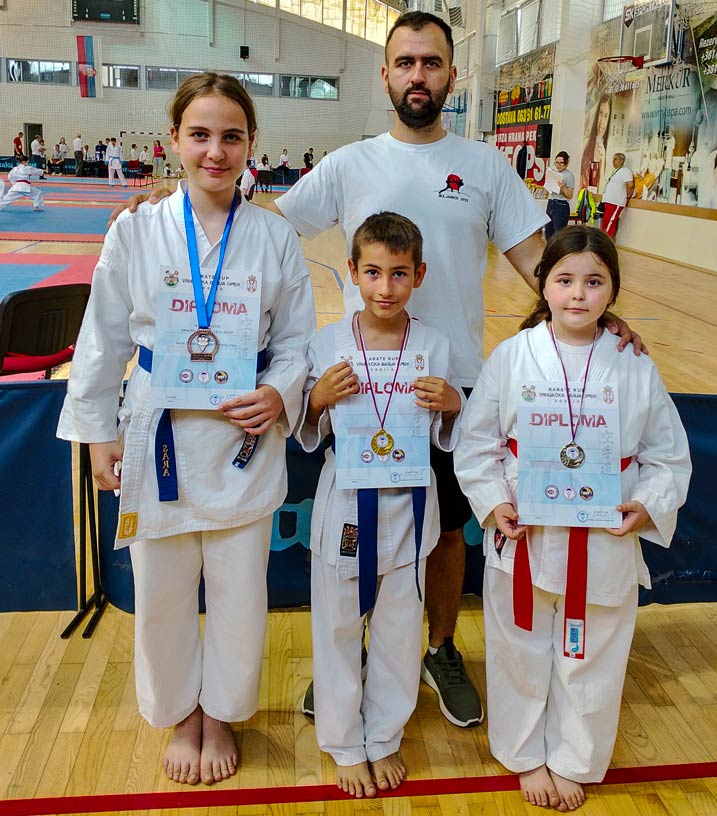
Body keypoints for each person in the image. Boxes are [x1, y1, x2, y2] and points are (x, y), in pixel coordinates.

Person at [110, 11, 643, 730]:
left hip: (447, 383)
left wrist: (598, 312)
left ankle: (441, 648)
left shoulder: (485, 166)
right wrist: (178, 200)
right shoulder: (348, 163)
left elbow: (539, 265)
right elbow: (260, 224)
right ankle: (349, 657)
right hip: (360, 384)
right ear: (385, 73)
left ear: (452, 74)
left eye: (432, 62)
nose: (418, 75)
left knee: (445, 530)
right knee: (357, 522)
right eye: (406, 62)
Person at [57, 71, 315, 788]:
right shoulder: (136, 229)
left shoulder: (273, 235)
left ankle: (222, 712)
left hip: (241, 434)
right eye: (199, 135)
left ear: (252, 143)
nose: (215, 151)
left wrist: (279, 391)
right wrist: (97, 430)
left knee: (239, 590)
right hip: (157, 431)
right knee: (163, 589)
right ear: (173, 140)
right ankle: (178, 711)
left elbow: (297, 340)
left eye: (231, 136)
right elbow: (102, 336)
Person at [454, 226, 691, 812]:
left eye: (594, 282)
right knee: (519, 647)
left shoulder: (634, 364)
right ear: (543, 285)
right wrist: (493, 501)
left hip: (603, 532)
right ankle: (523, 754)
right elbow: (477, 441)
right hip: (526, 529)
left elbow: (667, 454)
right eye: (564, 280)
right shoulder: (513, 356)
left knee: (593, 652)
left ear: (613, 290)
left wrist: (648, 504)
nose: (578, 294)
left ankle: (574, 757)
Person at [299, 211, 462, 798]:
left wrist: (453, 405)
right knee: (337, 623)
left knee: (398, 626)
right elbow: (308, 427)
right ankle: (344, 742)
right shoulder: (327, 343)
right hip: (346, 501)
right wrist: (315, 400)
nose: (385, 287)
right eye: (372, 272)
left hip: (411, 502)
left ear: (419, 275)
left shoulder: (434, 346)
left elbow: (446, 433)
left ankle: (385, 736)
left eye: (398, 273)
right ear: (351, 272)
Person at [580, 94, 610, 190]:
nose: (602, 122)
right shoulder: (586, 143)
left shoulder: (606, 154)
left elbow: (601, 190)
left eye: (606, 116)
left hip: (594, 197)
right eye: (600, 113)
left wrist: (602, 161)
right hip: (582, 196)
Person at [600, 153, 634, 239]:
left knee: (610, 221)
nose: (613, 161)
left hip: (616, 202)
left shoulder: (625, 171)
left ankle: (606, 242)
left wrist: (628, 197)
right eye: (613, 159)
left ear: (622, 161)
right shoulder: (616, 171)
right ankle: (603, 241)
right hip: (609, 201)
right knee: (605, 221)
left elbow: (630, 185)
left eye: (615, 159)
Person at [544, 151, 575, 240]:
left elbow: (570, 195)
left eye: (561, 163)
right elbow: (545, 193)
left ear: (566, 163)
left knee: (559, 233)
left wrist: (563, 187)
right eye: (557, 163)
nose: (559, 165)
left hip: (561, 204)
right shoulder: (553, 173)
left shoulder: (569, 175)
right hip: (551, 202)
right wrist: (547, 183)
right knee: (548, 231)